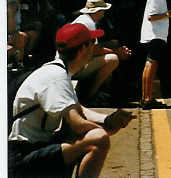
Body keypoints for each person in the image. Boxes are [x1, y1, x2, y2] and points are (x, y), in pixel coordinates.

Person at [8, 23, 135, 178]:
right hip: (24, 157)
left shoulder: (59, 71)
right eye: (92, 44)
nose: (95, 49)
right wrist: (104, 129)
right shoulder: (56, 76)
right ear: (83, 49)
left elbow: (78, 109)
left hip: (34, 149)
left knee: (88, 135)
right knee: (98, 139)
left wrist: (108, 119)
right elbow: (78, 124)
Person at [70, 0, 133, 104]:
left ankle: (103, 90)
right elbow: (94, 50)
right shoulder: (89, 24)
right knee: (113, 59)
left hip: (75, 61)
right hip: (73, 67)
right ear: (97, 11)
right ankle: (91, 95)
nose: (104, 14)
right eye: (103, 11)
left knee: (113, 43)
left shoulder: (84, 20)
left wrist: (115, 47)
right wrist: (117, 52)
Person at [139, 0, 171, 109]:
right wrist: (169, 13)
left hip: (155, 35)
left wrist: (168, 13)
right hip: (154, 36)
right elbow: (151, 16)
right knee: (151, 64)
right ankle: (146, 98)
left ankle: (146, 97)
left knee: (150, 64)